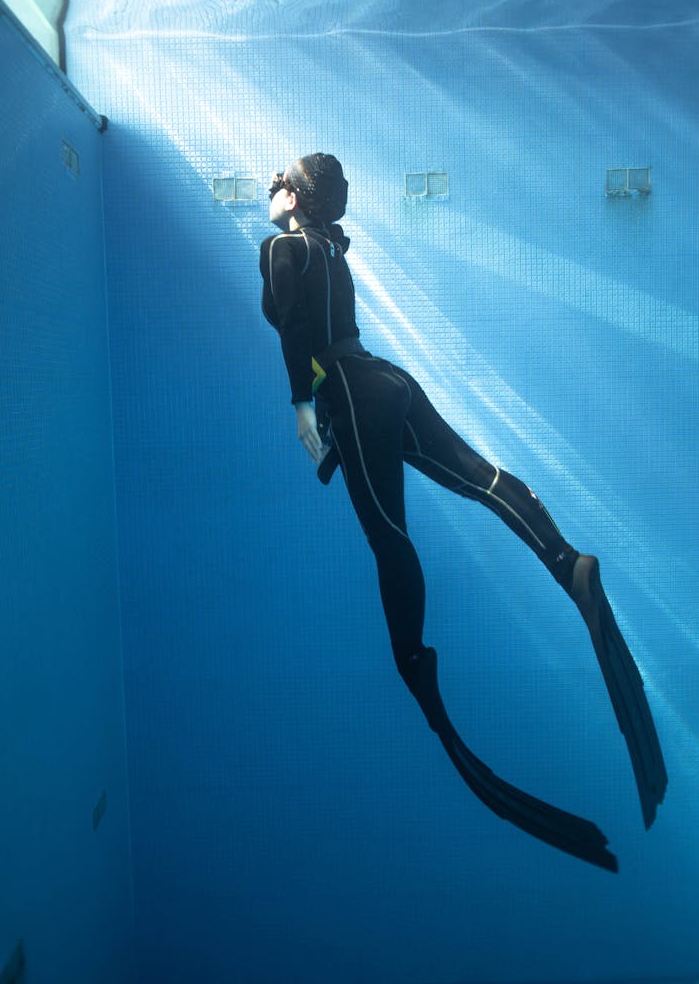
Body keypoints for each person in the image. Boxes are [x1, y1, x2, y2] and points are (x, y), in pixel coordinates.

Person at [259, 153, 667, 872]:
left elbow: (297, 328)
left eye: (277, 182)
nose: (268, 191)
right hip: (385, 378)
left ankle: (415, 663)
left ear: (298, 195)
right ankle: (567, 563)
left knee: (390, 539)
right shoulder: (330, 247)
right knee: (478, 478)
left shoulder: (282, 245)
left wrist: (300, 406)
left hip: (349, 395)